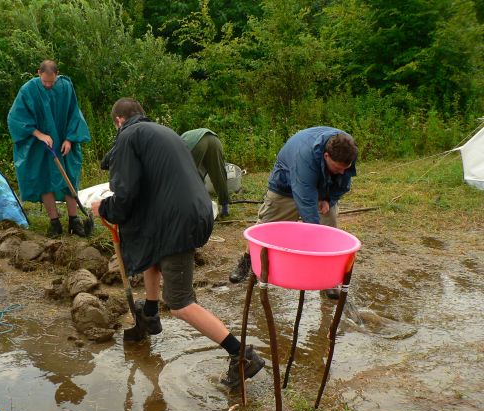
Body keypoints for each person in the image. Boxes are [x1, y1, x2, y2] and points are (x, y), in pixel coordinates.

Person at [91, 98, 265, 388]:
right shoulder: (162, 132)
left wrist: (105, 208)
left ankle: (242, 355)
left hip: (177, 219)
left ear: (118, 121)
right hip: (190, 211)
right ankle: (149, 314)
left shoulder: (128, 137)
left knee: (180, 303)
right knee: (152, 252)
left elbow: (126, 193)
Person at [229, 126, 358, 299]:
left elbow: (344, 181)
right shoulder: (303, 156)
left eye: (345, 167)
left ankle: (327, 278)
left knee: (330, 222)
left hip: (322, 185)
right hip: (286, 185)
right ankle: (247, 261)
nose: (342, 171)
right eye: (337, 167)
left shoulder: (348, 150)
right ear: (326, 156)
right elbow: (306, 203)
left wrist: (329, 199)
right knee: (266, 228)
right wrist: (313, 238)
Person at [7, 59, 92, 238]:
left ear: (57, 75)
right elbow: (16, 118)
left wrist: (69, 139)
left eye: (51, 82)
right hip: (40, 145)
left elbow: (74, 114)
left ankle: (74, 220)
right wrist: (40, 135)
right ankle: (54, 223)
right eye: (45, 81)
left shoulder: (65, 87)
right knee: (44, 178)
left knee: (69, 176)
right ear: (38, 73)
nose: (47, 85)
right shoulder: (28, 90)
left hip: (63, 142)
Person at [180, 128, 230, 217]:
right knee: (219, 174)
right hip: (214, 139)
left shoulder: (179, 146)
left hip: (197, 144)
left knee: (191, 178)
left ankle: (199, 208)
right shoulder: (183, 137)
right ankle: (225, 206)